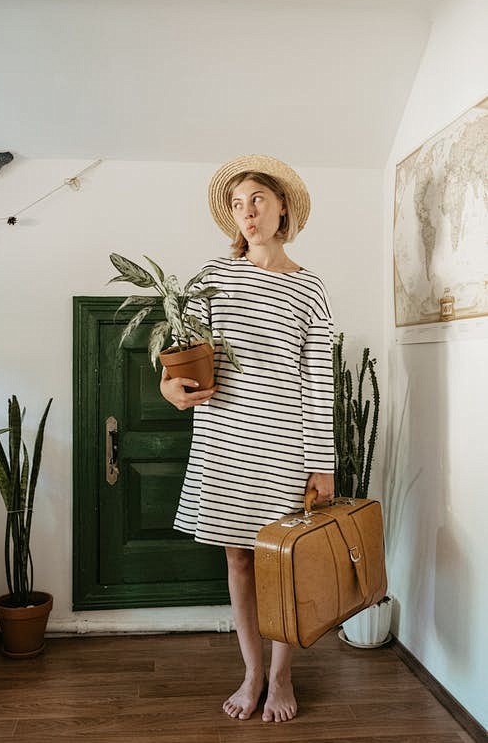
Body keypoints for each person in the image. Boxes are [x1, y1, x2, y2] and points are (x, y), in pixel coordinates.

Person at [160, 154, 334, 723]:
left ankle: (283, 675)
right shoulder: (213, 277)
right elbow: (182, 350)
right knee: (238, 559)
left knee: (284, 563)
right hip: (223, 441)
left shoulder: (310, 288)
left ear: (282, 205)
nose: (246, 213)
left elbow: (318, 381)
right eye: (237, 204)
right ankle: (252, 671)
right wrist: (171, 389)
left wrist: (322, 463)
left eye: (256, 199)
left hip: (285, 443)